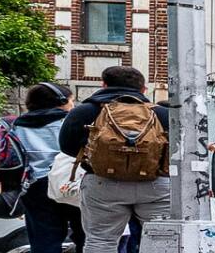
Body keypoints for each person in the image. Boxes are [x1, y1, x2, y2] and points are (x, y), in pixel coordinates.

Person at [58, 65, 170, 253]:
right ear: (143, 89)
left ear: (104, 85)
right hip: (154, 184)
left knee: (100, 240)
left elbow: (66, 145)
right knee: (162, 241)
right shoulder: (162, 114)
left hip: (102, 183)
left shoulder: (85, 111)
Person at [11, 81, 83, 253]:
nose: (73, 105)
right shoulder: (71, 121)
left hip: (35, 185)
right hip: (70, 181)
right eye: (71, 101)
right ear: (61, 101)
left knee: (43, 238)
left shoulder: (17, 125)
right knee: (84, 234)